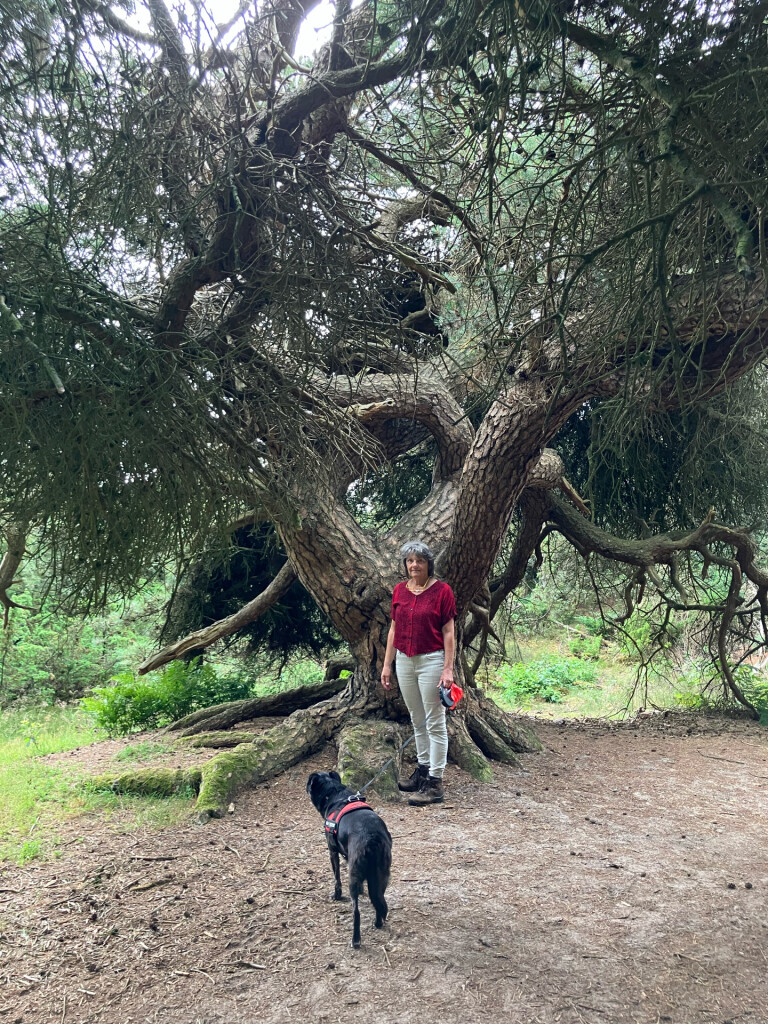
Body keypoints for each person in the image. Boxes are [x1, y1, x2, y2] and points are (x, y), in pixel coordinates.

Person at [381, 540, 456, 805]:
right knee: (417, 718)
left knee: (434, 722)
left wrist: (448, 669)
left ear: (428, 564)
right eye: (410, 561)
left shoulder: (442, 591)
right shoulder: (399, 591)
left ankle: (435, 783)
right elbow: (393, 630)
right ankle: (422, 772)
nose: (414, 565)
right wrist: (387, 664)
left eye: (420, 561)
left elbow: (449, 632)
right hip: (404, 660)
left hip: (431, 660)